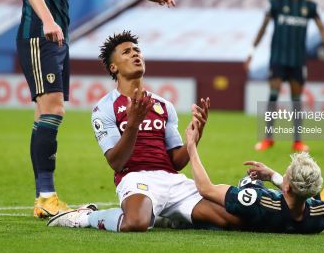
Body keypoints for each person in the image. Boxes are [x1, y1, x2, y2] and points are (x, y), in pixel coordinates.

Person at [16, 0, 176, 219]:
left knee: (46, 114)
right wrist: (47, 20)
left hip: (58, 38)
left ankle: (45, 195)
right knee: (53, 109)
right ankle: (46, 196)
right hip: (39, 35)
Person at [47, 31, 242, 231]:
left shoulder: (163, 105)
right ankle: (85, 217)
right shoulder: (104, 108)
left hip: (171, 180)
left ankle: (162, 217)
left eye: (137, 50)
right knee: (135, 223)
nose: (135, 54)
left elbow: (176, 162)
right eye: (126, 52)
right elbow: (116, 162)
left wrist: (195, 137)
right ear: (114, 67)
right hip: (135, 177)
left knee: (231, 220)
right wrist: (133, 124)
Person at [185, 107, 324, 234]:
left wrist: (191, 146)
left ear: (287, 187)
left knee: (249, 182)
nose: (283, 175)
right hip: (286, 208)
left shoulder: (259, 201)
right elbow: (311, 201)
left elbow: (206, 189)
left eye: (286, 174)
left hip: (246, 215)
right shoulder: (321, 215)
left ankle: (173, 219)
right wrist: (272, 176)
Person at [245, 0, 324, 152]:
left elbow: (322, 29)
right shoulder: (277, 3)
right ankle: (268, 138)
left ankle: (297, 141)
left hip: (297, 60)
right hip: (278, 58)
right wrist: (251, 52)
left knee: (296, 99)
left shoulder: (309, 6)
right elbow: (263, 27)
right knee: (273, 94)